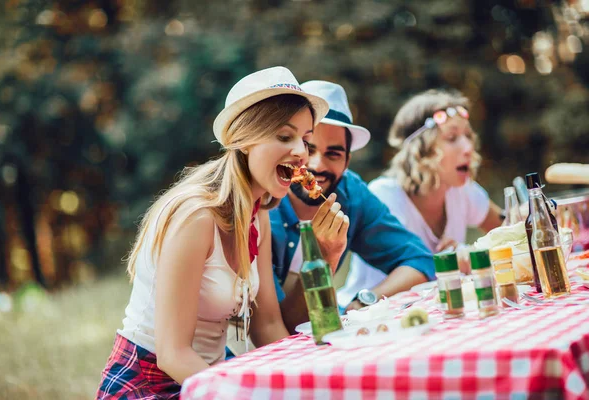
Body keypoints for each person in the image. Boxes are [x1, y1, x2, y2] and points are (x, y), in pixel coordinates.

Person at [96, 66, 329, 399]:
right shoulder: (197, 217)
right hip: (149, 382)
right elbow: (173, 354)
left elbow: (267, 327)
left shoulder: (256, 215)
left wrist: (307, 379)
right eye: (284, 136)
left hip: (209, 377)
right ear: (244, 141)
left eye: (305, 140)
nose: (301, 152)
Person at [269, 80, 435, 332]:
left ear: (347, 160)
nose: (317, 165)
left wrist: (365, 300)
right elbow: (283, 324)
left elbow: (420, 260)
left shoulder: (350, 195)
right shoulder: (265, 205)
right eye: (308, 148)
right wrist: (325, 256)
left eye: (334, 153)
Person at [343, 89, 503, 309]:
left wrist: (471, 252)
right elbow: (413, 271)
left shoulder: (462, 189)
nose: (468, 148)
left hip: (430, 315)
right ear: (422, 150)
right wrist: (453, 262)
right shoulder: (385, 197)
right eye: (452, 137)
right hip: (368, 314)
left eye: (468, 136)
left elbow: (505, 233)